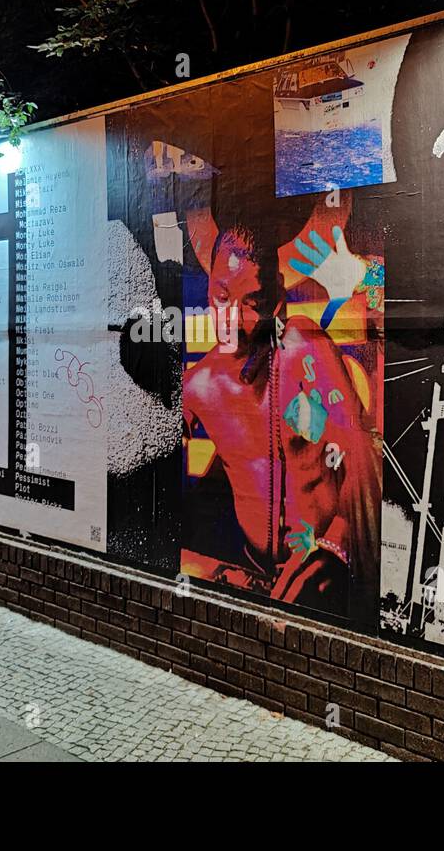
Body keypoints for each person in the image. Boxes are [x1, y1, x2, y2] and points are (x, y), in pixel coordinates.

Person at [183, 223, 381, 617]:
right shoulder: (198, 385)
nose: (232, 321)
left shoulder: (302, 346)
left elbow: (361, 453)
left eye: (251, 303)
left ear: (274, 297)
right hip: (253, 572)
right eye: (221, 297)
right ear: (209, 290)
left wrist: (336, 549)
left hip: (328, 568)